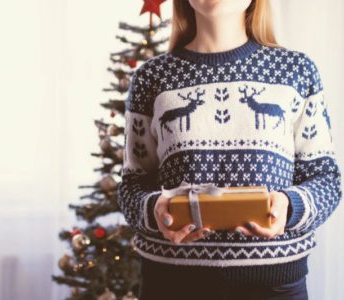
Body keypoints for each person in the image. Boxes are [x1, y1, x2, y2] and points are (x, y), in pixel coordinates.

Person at [117, 0, 342, 299]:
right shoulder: (151, 78)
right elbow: (132, 185)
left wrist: (290, 206)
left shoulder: (297, 72)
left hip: (273, 285)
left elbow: (327, 178)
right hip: (171, 283)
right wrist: (153, 210)